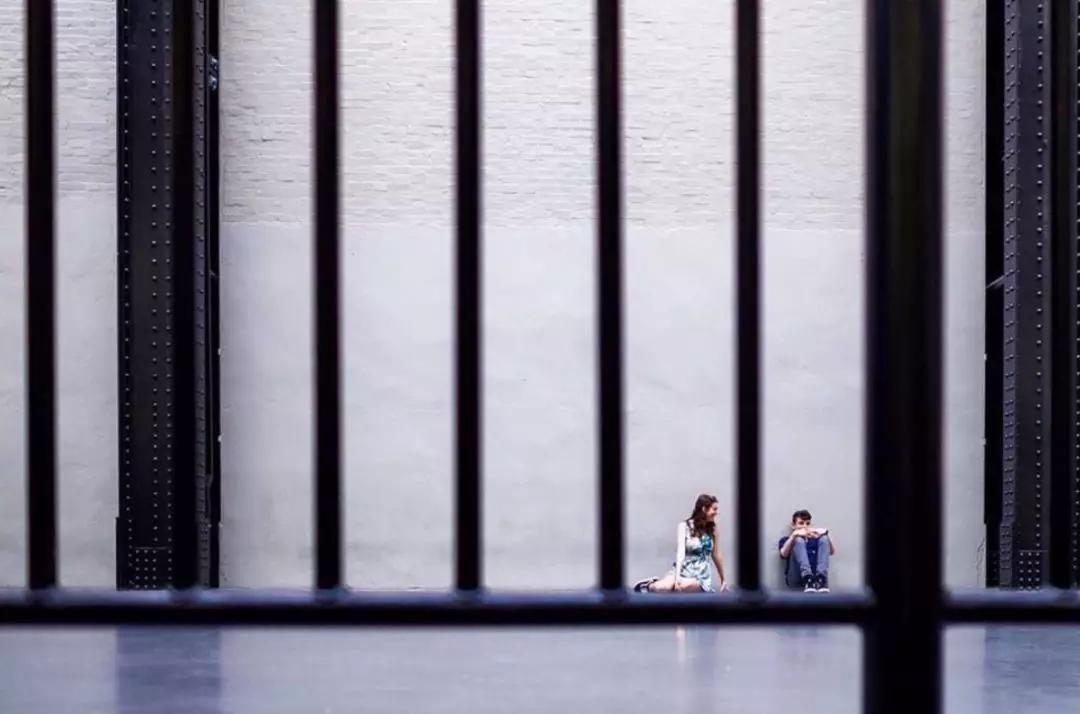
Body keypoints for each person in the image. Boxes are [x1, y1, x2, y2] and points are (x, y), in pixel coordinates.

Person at [633, 494, 729, 593]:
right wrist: (677, 576)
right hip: (683, 569)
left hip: (700, 575)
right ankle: (650, 585)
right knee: (663, 588)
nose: (716, 513)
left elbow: (716, 554)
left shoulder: (713, 529)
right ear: (704, 509)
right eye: (714, 509)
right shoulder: (684, 526)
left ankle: (675, 585)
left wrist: (723, 579)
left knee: (681, 587)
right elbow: (681, 552)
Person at [778, 509, 835, 592]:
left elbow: (832, 552)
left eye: (807, 523)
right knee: (798, 540)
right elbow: (783, 554)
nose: (805, 526)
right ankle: (807, 578)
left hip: (815, 579)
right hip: (796, 578)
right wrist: (794, 536)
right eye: (801, 523)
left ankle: (821, 579)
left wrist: (826, 534)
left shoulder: (815, 540)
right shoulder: (787, 539)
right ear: (793, 525)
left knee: (824, 538)